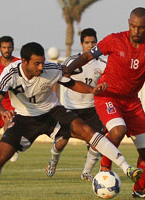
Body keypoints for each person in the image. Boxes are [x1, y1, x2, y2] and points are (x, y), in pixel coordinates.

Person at [0, 42, 142, 196]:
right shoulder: (10, 73)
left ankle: (126, 167)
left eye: (42, 62)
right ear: (24, 61)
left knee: (88, 131)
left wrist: (92, 90)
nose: (40, 67)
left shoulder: (51, 69)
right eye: (36, 63)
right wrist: (3, 111)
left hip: (53, 112)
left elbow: (72, 84)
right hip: (24, 118)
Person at [65, 7, 145, 199]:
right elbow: (86, 56)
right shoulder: (115, 40)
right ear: (129, 23)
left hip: (132, 103)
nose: (136, 31)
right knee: (118, 130)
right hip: (108, 96)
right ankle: (104, 171)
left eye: (141, 28)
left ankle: (139, 189)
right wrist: (67, 70)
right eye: (133, 26)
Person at [45, 28, 106, 181]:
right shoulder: (71, 61)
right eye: (87, 43)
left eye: (93, 42)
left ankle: (86, 173)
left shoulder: (103, 64)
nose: (90, 45)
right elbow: (59, 78)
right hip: (71, 108)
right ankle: (53, 160)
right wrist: (55, 98)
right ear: (81, 44)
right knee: (61, 142)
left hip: (92, 109)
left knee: (96, 141)